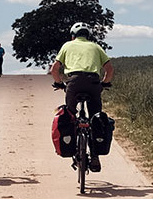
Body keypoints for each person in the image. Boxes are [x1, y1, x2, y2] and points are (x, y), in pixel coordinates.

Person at [47, 22, 112, 171]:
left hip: (74, 83)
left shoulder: (67, 46)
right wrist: (104, 83)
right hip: (93, 83)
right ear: (88, 35)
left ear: (73, 36)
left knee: (69, 115)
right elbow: (109, 69)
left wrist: (59, 83)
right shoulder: (96, 47)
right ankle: (95, 156)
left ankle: (72, 147)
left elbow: (54, 69)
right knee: (95, 118)